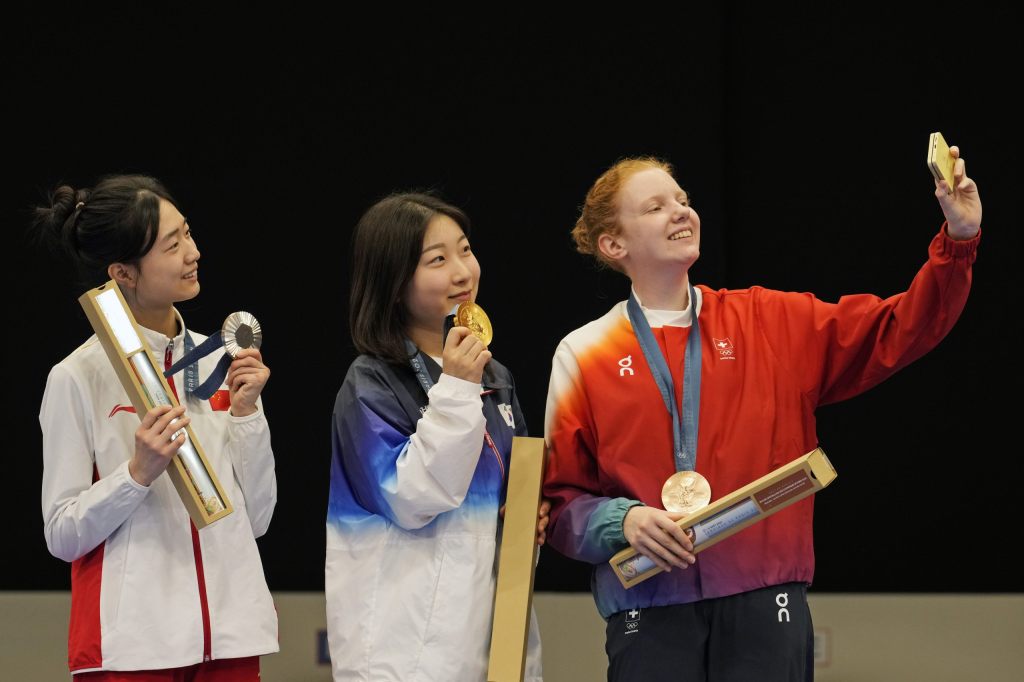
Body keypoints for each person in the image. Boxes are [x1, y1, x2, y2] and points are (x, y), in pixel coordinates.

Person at [543, 151, 980, 681]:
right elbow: (559, 504)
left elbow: (900, 326)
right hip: (649, 605)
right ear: (615, 245)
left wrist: (957, 242)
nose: (681, 212)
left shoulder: (768, 321)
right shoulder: (583, 352)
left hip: (764, 597)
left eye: (683, 200)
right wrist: (624, 521)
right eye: (656, 207)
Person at [35, 175, 278, 679]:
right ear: (123, 272)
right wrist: (136, 475)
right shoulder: (77, 377)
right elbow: (61, 533)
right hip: (134, 646)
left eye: (187, 233)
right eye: (173, 245)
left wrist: (247, 414)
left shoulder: (217, 359)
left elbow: (256, 520)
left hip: (233, 635)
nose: (194, 252)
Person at [326, 192, 546, 681]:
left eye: (465, 250)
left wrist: (528, 515)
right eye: (438, 260)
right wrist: (457, 390)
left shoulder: (497, 376)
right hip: (404, 648)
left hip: (495, 633)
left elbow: (510, 489)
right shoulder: (371, 383)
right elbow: (411, 499)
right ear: (393, 280)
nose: (462, 272)